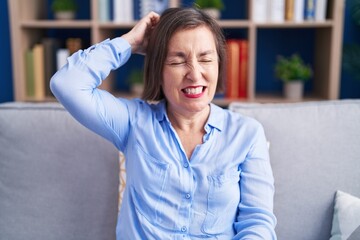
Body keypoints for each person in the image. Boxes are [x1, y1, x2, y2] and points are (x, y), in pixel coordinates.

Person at [50, 7, 277, 240]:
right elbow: (67, 84)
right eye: (178, 62)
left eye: (205, 59)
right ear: (158, 71)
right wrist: (130, 42)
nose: (195, 74)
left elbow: (257, 223)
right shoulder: (133, 122)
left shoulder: (247, 134)